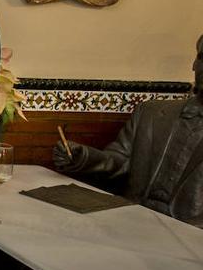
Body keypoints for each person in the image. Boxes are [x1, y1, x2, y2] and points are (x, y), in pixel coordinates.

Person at [54, 33, 203, 227]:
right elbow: (120, 162)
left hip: (190, 242)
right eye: (202, 57)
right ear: (194, 63)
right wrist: (82, 157)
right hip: (126, 222)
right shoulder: (150, 113)